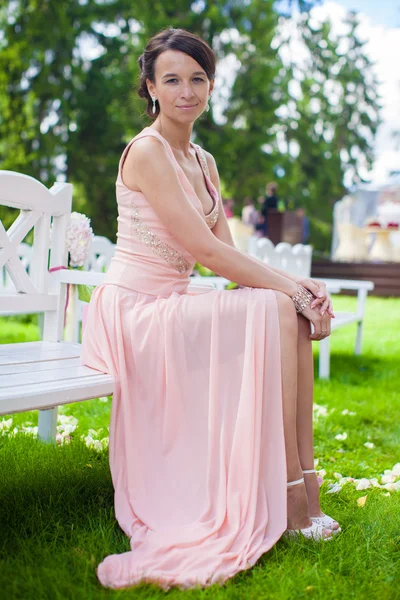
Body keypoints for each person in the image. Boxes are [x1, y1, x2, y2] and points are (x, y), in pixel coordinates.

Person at [81, 27, 338, 592]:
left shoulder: (203, 159)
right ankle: (291, 500)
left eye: (198, 79)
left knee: (282, 309)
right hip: (134, 312)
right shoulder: (147, 151)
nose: (186, 91)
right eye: (171, 79)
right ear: (150, 87)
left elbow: (228, 251)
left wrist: (300, 287)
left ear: (211, 85)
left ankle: (302, 490)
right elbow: (204, 252)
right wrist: (287, 291)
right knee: (274, 307)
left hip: (173, 302)